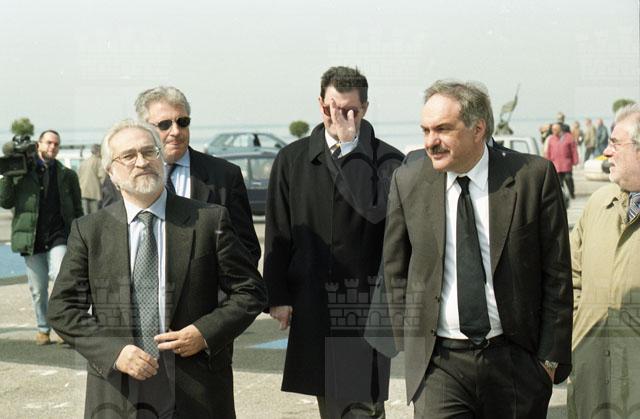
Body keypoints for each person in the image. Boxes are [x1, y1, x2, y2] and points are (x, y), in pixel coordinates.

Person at [47, 120, 266, 418]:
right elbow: (62, 308)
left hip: (197, 388)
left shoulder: (208, 220)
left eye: (149, 152)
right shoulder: (89, 230)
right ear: (111, 172)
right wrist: (114, 352)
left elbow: (250, 291)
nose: (142, 162)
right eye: (128, 156)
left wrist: (204, 332)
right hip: (118, 389)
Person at [382, 80, 572, 418]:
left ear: (478, 129)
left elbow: (557, 274)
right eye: (426, 130)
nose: (430, 141)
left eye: (443, 129)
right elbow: (395, 267)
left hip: (517, 362)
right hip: (440, 365)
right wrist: (410, 344)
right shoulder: (408, 180)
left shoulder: (532, 177)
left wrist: (549, 360)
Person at [264, 66, 404, 418]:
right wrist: (277, 296)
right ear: (320, 104)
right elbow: (278, 231)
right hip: (311, 298)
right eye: (332, 108)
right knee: (330, 402)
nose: (340, 118)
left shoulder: (389, 161)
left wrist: (352, 148)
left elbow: (376, 212)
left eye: (350, 111)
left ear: (365, 108)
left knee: (361, 405)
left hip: (364, 301)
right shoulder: (292, 159)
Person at [101, 86, 260, 266]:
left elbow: (246, 248)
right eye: (165, 124)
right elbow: (106, 241)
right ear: (145, 128)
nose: (176, 131)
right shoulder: (122, 178)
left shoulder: (225, 176)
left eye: (182, 122)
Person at [568, 104, 640, 418]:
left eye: (615, 143)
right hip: (592, 379)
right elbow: (569, 279)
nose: (606, 152)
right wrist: (578, 332)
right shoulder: (599, 203)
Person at [0, 130, 82, 345]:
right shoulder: (21, 172)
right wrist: (8, 175)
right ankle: (43, 328)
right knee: (38, 289)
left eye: (56, 144)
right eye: (48, 143)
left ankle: (64, 327)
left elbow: (77, 208)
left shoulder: (67, 175)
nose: (52, 147)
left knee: (60, 278)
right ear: (38, 144)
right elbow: (5, 202)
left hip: (59, 235)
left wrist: (81, 236)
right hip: (31, 237)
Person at [545, 122, 579, 199]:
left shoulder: (569, 137)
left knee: (568, 178)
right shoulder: (551, 139)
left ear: (560, 129)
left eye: (555, 129)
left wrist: (575, 160)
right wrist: (547, 162)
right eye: (553, 129)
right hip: (556, 164)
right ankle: (562, 196)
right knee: (558, 182)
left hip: (566, 164)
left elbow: (573, 150)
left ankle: (572, 193)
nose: (553, 131)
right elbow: (548, 151)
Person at [78, 143, 106, 214]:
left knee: (85, 215)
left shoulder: (84, 162)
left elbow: (78, 176)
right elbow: (102, 177)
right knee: (94, 216)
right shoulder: (99, 161)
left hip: (82, 192)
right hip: (94, 193)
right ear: (99, 152)